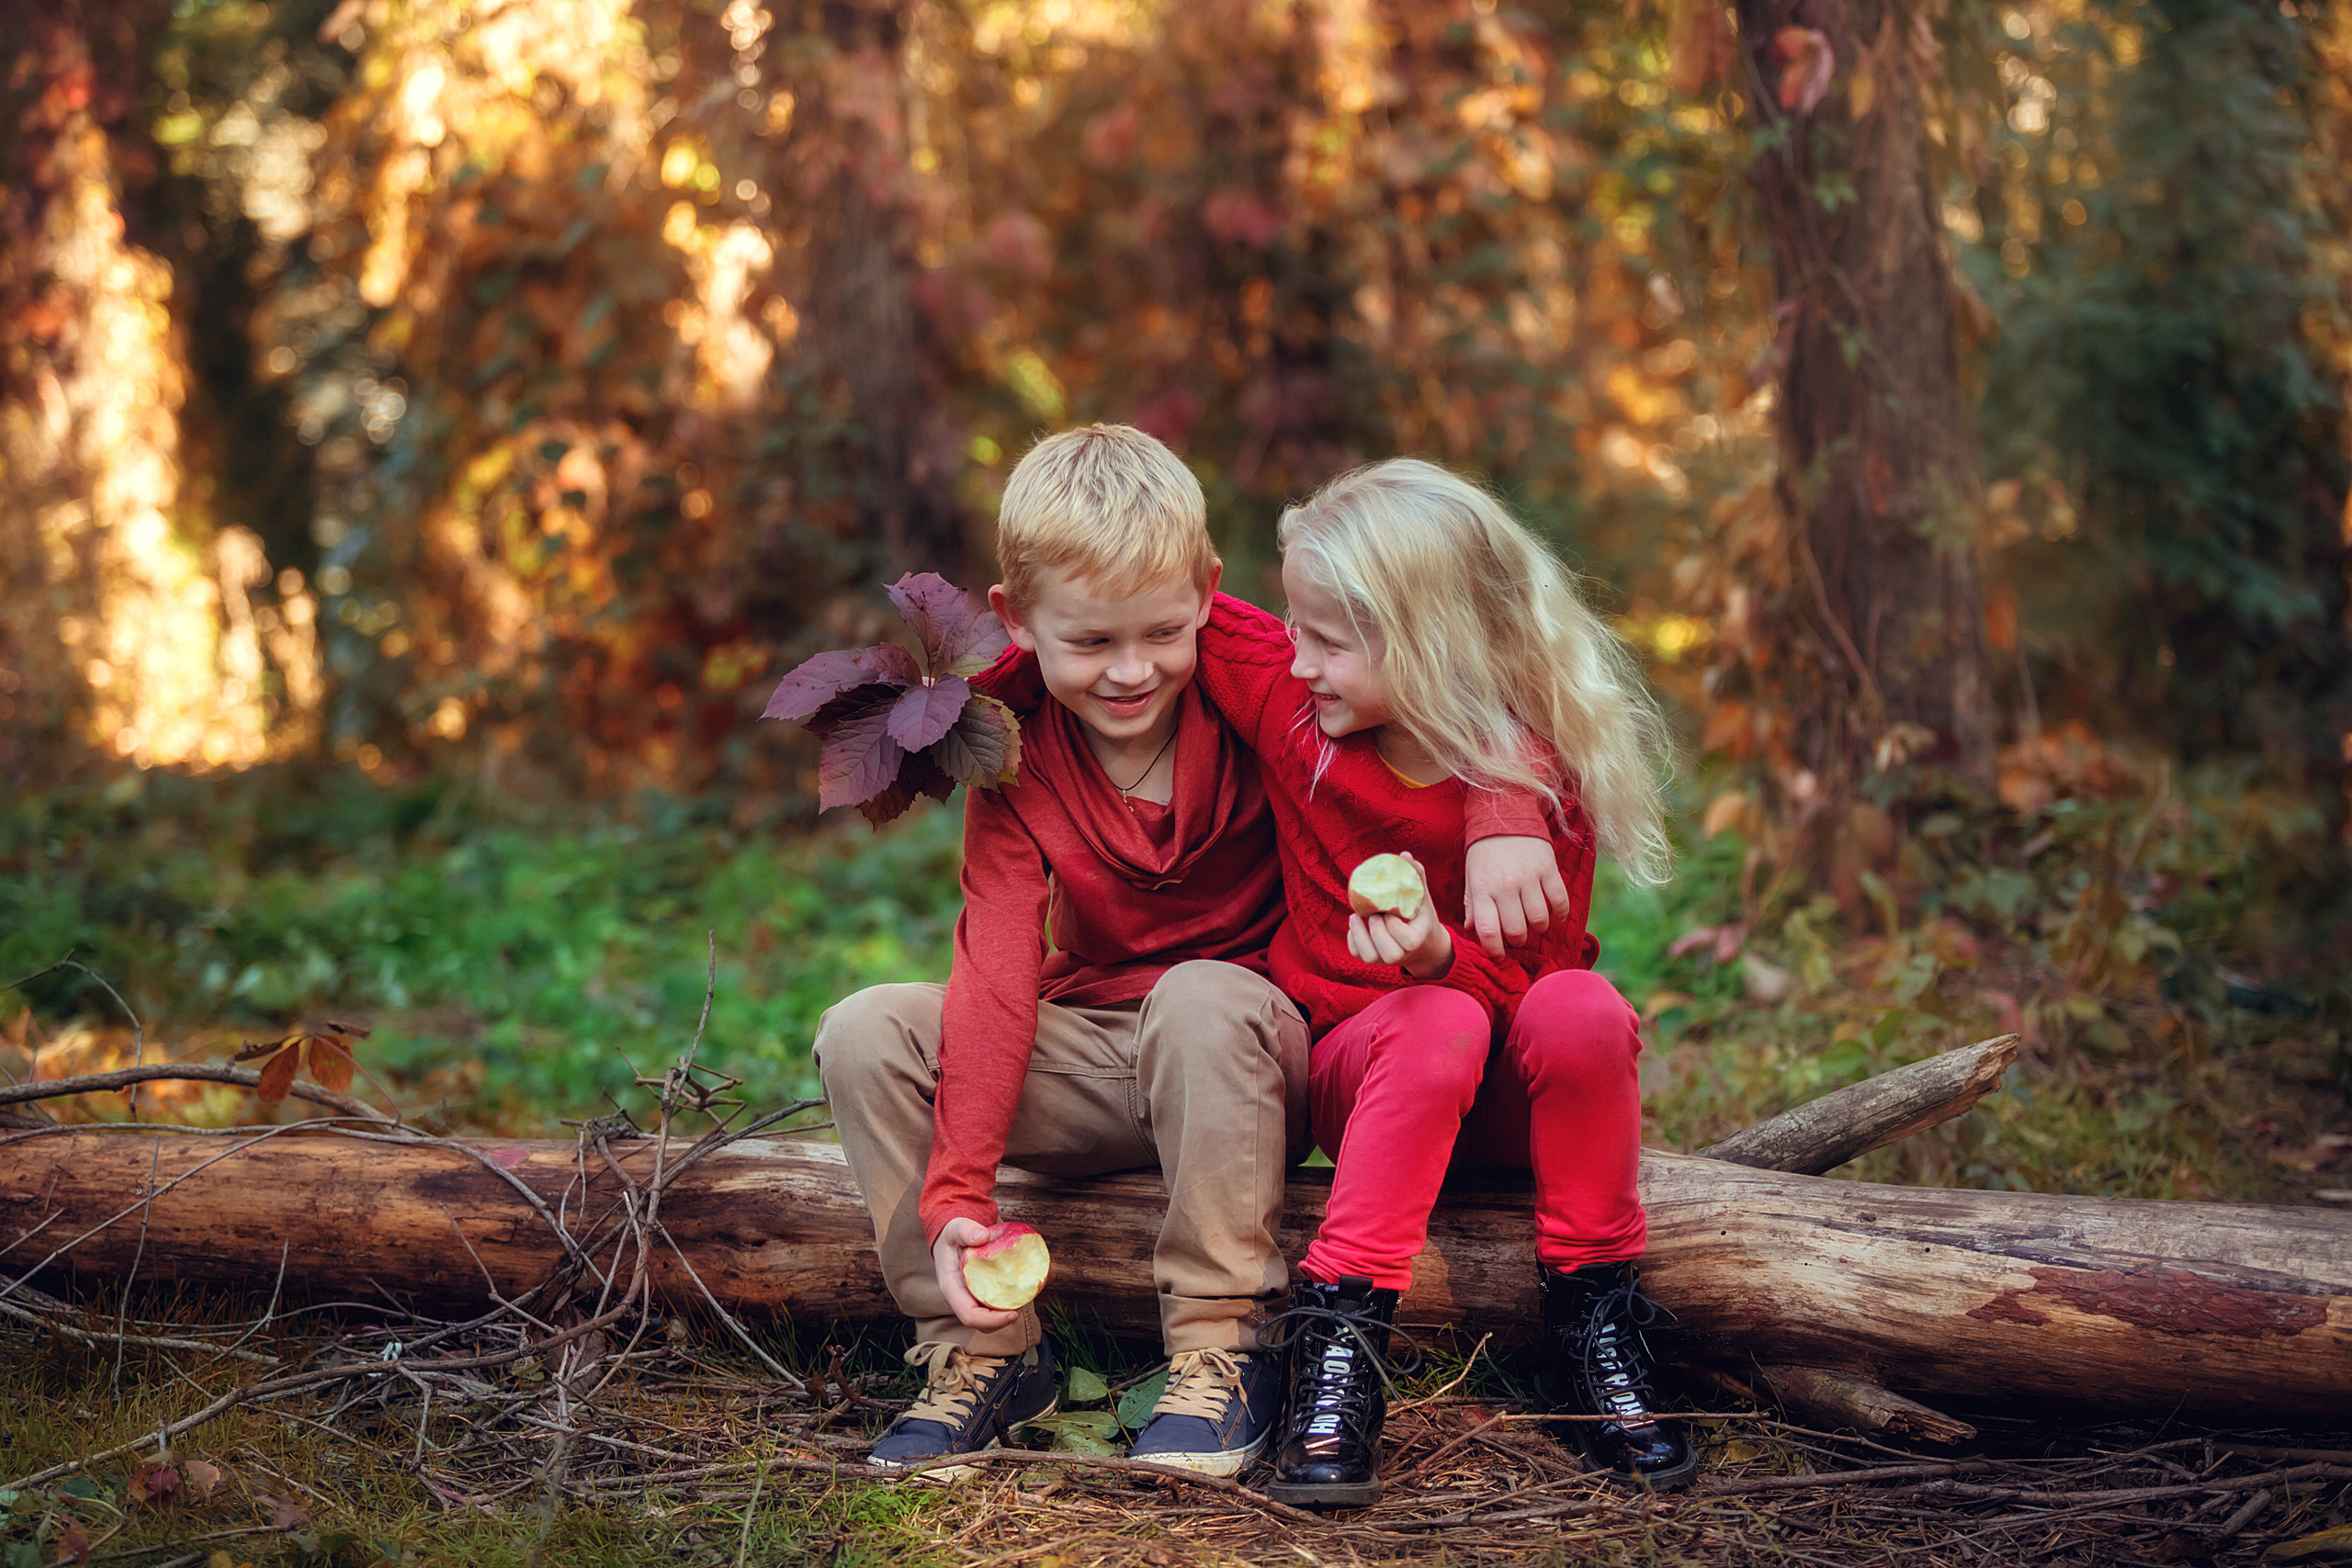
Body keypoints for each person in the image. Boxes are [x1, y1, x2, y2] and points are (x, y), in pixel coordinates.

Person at [812, 427, 1564, 1481]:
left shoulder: (1256, 669)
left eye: (1161, 631)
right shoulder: (1006, 741)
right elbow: (993, 966)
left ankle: (1221, 1349)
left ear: (1208, 591)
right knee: (862, 1032)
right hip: (1101, 1058)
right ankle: (977, 1348)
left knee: (1202, 995)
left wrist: (1504, 806)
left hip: (1251, 1057)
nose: (1131, 671)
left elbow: (1447, 680)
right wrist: (961, 1197)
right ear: (1016, 620)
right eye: (1090, 643)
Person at [1186, 457, 1693, 1505]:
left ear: (1432, 647)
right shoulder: (1293, 702)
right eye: (1296, 626)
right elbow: (1160, 607)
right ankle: (1338, 1342)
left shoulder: (1538, 793)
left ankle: (1595, 1315)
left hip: (1507, 1100)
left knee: (1582, 1005)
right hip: (1366, 1078)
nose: (1301, 658)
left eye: (1330, 640)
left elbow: (1532, 1003)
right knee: (1429, 1024)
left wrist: (1453, 924)